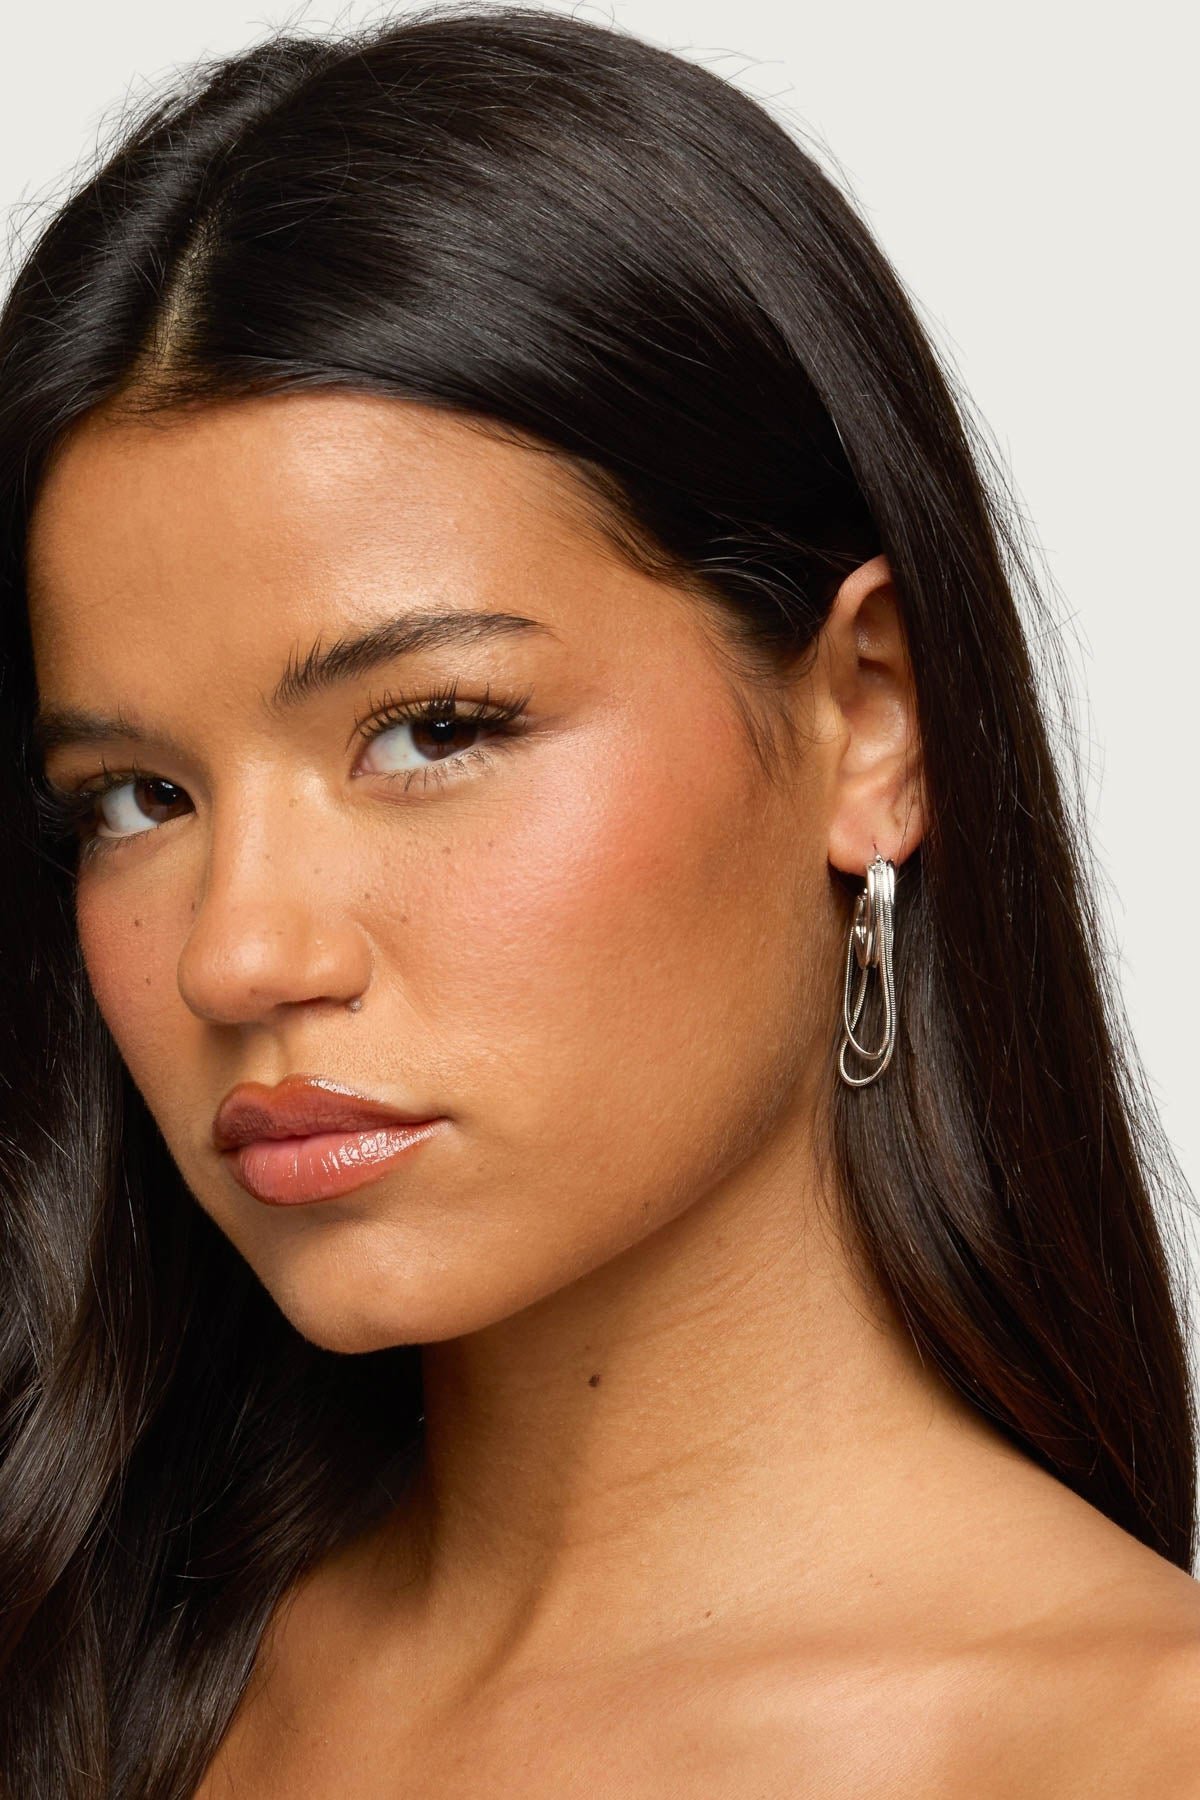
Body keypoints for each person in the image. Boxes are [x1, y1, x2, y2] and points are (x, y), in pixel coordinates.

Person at [1, 5, 1196, 1795]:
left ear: (870, 718)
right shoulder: (74, 1664)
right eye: (137, 798)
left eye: (433, 730)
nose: (239, 954)